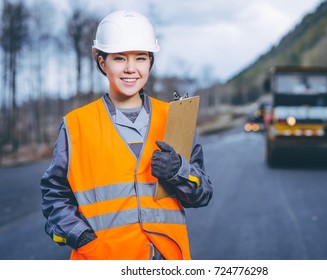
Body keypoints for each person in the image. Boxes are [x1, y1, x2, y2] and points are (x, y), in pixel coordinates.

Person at [40, 10, 213, 260]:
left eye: (140, 58)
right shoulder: (77, 125)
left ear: (150, 63)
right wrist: (81, 237)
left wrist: (179, 171)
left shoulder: (175, 118)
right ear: (103, 63)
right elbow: (54, 194)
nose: (131, 69)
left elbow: (203, 193)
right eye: (119, 58)